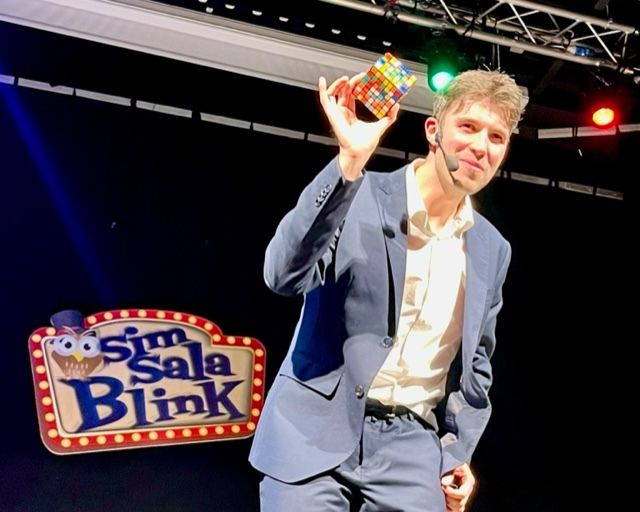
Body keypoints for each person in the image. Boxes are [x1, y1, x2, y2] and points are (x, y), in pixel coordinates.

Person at [249, 68, 524, 512]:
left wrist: (456, 452)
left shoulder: (492, 247)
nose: (480, 146)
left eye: (496, 137)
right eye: (468, 127)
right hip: (314, 430)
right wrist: (349, 162)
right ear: (433, 132)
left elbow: (477, 363)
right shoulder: (359, 194)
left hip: (411, 449)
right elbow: (281, 274)